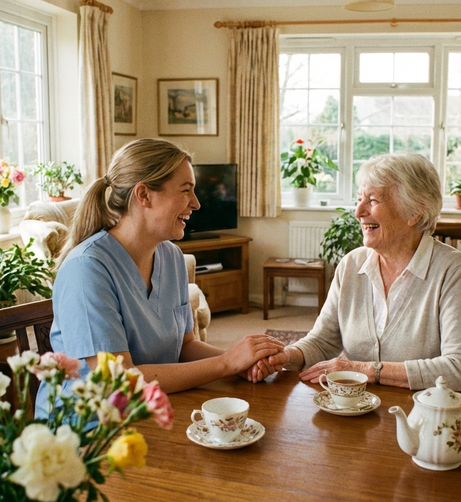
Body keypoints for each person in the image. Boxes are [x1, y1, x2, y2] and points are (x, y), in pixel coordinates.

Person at [36, 139, 285, 418]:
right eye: (185, 190)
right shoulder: (87, 269)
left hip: (153, 408)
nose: (196, 203)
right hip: (89, 426)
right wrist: (226, 363)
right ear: (144, 195)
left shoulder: (172, 257)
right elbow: (118, 381)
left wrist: (242, 363)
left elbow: (185, 347)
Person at [259, 152, 461, 391]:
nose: (358, 212)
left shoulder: (452, 269)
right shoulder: (351, 265)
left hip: (420, 410)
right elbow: (323, 341)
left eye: (373, 200)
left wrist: (365, 370)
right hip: (355, 407)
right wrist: (285, 356)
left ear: (415, 212)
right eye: (359, 199)